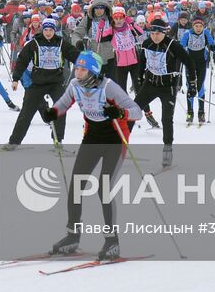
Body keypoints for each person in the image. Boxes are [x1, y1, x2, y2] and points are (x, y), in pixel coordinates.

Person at [40, 52, 144, 262]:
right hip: (92, 138)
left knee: (103, 187)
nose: (78, 72)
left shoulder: (108, 87)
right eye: (77, 68)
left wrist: (120, 113)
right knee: (76, 184)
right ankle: (72, 236)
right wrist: (52, 113)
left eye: (82, 69)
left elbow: (137, 111)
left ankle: (112, 241)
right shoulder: (74, 86)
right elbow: (62, 104)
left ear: (93, 71)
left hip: (115, 139)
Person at [6, 18, 78, 149]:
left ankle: (58, 140)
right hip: (38, 83)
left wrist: (84, 58)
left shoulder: (61, 43)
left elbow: (75, 55)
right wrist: (16, 79)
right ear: (42, 30)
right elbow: (21, 60)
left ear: (54, 31)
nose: (48, 32)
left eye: (51, 30)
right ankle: (14, 142)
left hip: (56, 82)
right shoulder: (34, 43)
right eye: (46, 30)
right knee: (26, 112)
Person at [133, 17, 186, 168]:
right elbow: (142, 61)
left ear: (164, 33)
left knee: (166, 119)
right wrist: (139, 76)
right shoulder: (146, 43)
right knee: (132, 111)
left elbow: (188, 61)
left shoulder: (172, 44)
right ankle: (120, 145)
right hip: (150, 84)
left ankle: (167, 149)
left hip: (167, 87)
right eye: (152, 32)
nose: (155, 36)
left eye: (158, 33)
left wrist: (192, 83)